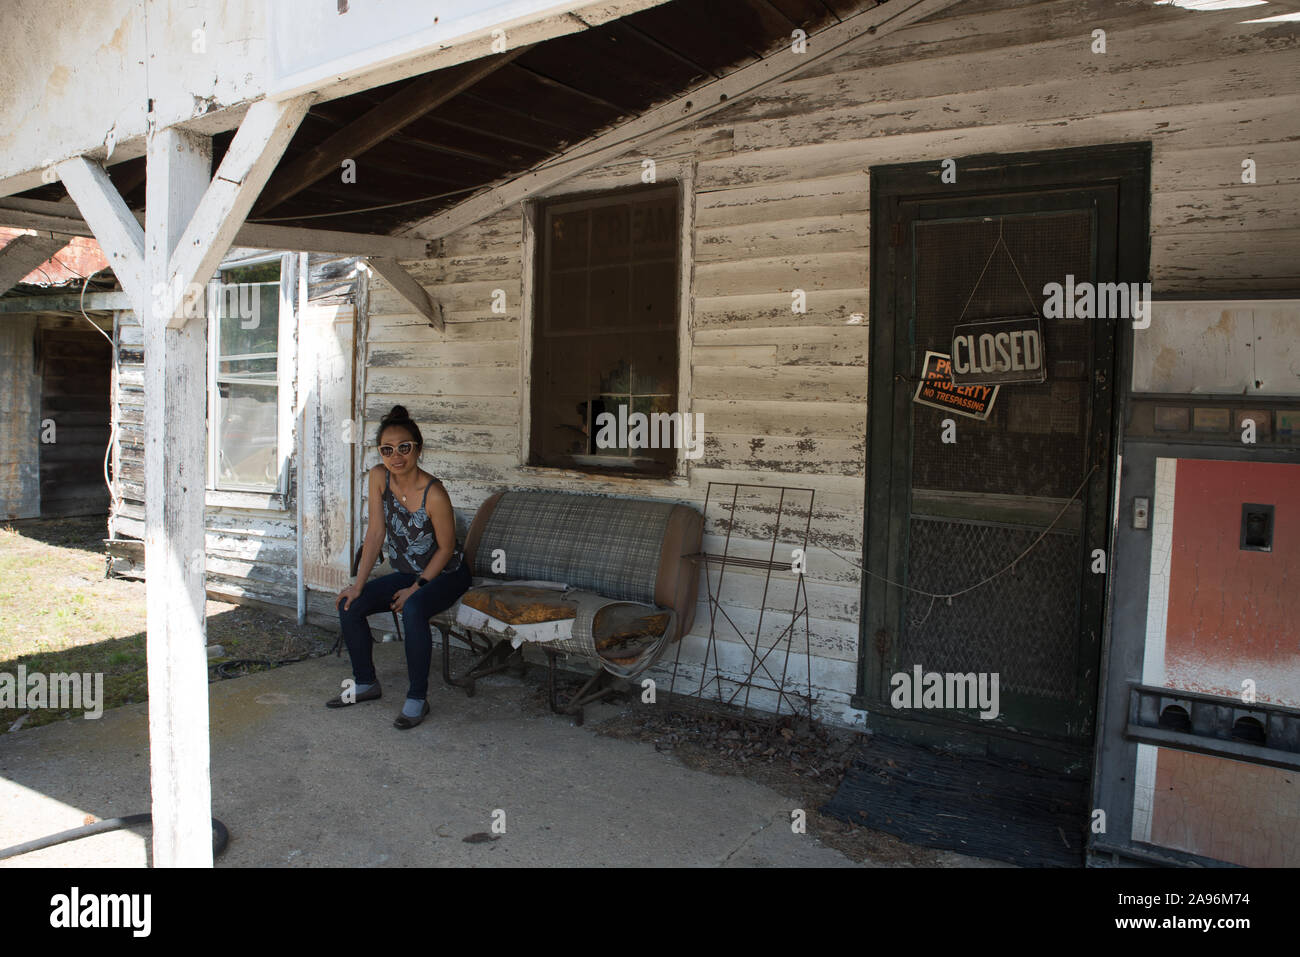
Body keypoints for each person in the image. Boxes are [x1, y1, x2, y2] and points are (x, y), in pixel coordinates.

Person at [329, 405, 472, 728]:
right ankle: (365, 683)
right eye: (387, 450)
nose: (396, 456)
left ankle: (417, 699)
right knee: (349, 605)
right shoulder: (379, 477)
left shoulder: (434, 493)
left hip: (446, 573)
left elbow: (447, 548)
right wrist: (358, 584)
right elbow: (376, 532)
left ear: (418, 449)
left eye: (404, 448)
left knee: (413, 609)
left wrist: (415, 589)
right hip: (407, 571)